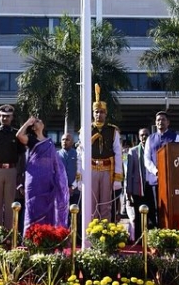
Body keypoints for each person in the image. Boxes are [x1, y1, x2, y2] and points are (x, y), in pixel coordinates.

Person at [16, 116, 69, 234]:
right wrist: (28, 122)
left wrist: (59, 181)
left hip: (48, 181)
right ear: (34, 127)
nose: (40, 121)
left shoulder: (49, 142)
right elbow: (19, 135)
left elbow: (56, 164)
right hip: (34, 181)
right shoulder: (31, 139)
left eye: (40, 120)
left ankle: (47, 236)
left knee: (48, 208)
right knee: (33, 207)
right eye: (37, 121)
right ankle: (32, 236)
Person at [82, 86, 122, 222]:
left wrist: (117, 177)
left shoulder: (112, 131)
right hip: (91, 169)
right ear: (93, 113)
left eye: (102, 112)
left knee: (106, 204)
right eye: (96, 112)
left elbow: (117, 153)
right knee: (91, 204)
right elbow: (81, 152)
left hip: (107, 170)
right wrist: (79, 174)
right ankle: (91, 233)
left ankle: (105, 233)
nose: (99, 115)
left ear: (106, 114)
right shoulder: (86, 129)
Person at [144, 111, 179, 225]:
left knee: (171, 206)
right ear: (155, 123)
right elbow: (147, 159)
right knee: (156, 207)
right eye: (158, 120)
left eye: (163, 119)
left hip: (171, 180)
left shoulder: (176, 137)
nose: (160, 122)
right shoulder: (150, 138)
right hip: (155, 180)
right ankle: (158, 232)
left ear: (168, 122)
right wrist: (156, 171)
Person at [124, 128, 156, 238]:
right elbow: (129, 174)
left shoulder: (154, 150)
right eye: (142, 135)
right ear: (139, 137)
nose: (144, 137)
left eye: (146, 135)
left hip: (151, 187)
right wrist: (128, 191)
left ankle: (152, 238)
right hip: (138, 188)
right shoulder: (133, 151)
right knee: (138, 215)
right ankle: (139, 239)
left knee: (152, 214)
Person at [57, 133, 80, 206]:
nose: (64, 141)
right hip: (60, 190)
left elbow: (79, 171)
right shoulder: (56, 155)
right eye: (63, 139)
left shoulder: (77, 154)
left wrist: (72, 187)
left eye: (67, 140)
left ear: (72, 142)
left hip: (75, 190)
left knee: (75, 212)